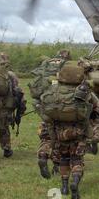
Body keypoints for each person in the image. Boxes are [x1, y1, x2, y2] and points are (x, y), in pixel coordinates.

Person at [38, 61, 99, 199]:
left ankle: (64, 186)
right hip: (79, 133)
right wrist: (94, 126)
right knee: (76, 160)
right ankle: (74, 183)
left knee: (63, 159)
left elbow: (44, 109)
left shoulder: (53, 90)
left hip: (58, 133)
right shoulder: (85, 93)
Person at [30, 50, 71, 179]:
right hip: (63, 107)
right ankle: (57, 165)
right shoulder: (69, 66)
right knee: (61, 137)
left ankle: (43, 155)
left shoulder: (46, 65)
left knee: (47, 135)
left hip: (45, 106)